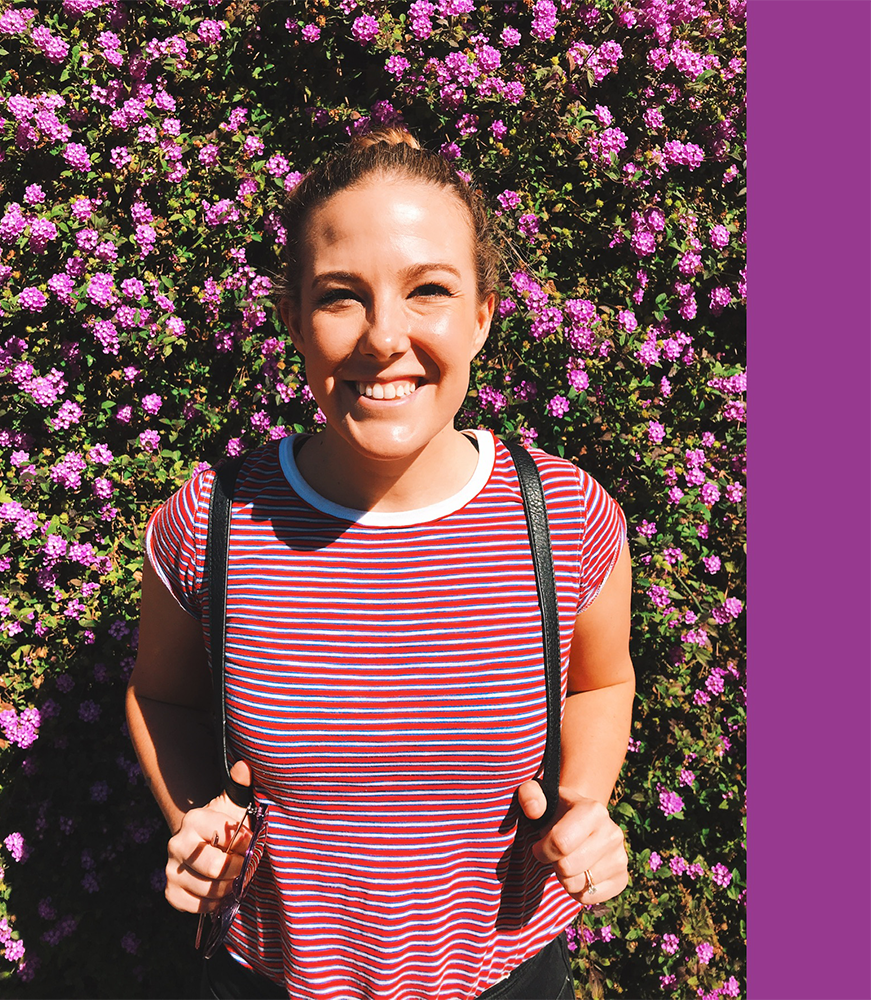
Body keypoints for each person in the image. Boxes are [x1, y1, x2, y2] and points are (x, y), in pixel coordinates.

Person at [126, 128, 635, 1000]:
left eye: (428, 290)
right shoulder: (207, 521)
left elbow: (601, 683)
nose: (383, 336)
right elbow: (160, 694)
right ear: (293, 319)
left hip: (506, 970)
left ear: (481, 315)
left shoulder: (567, 515)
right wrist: (195, 827)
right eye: (340, 297)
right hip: (272, 977)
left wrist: (582, 809)